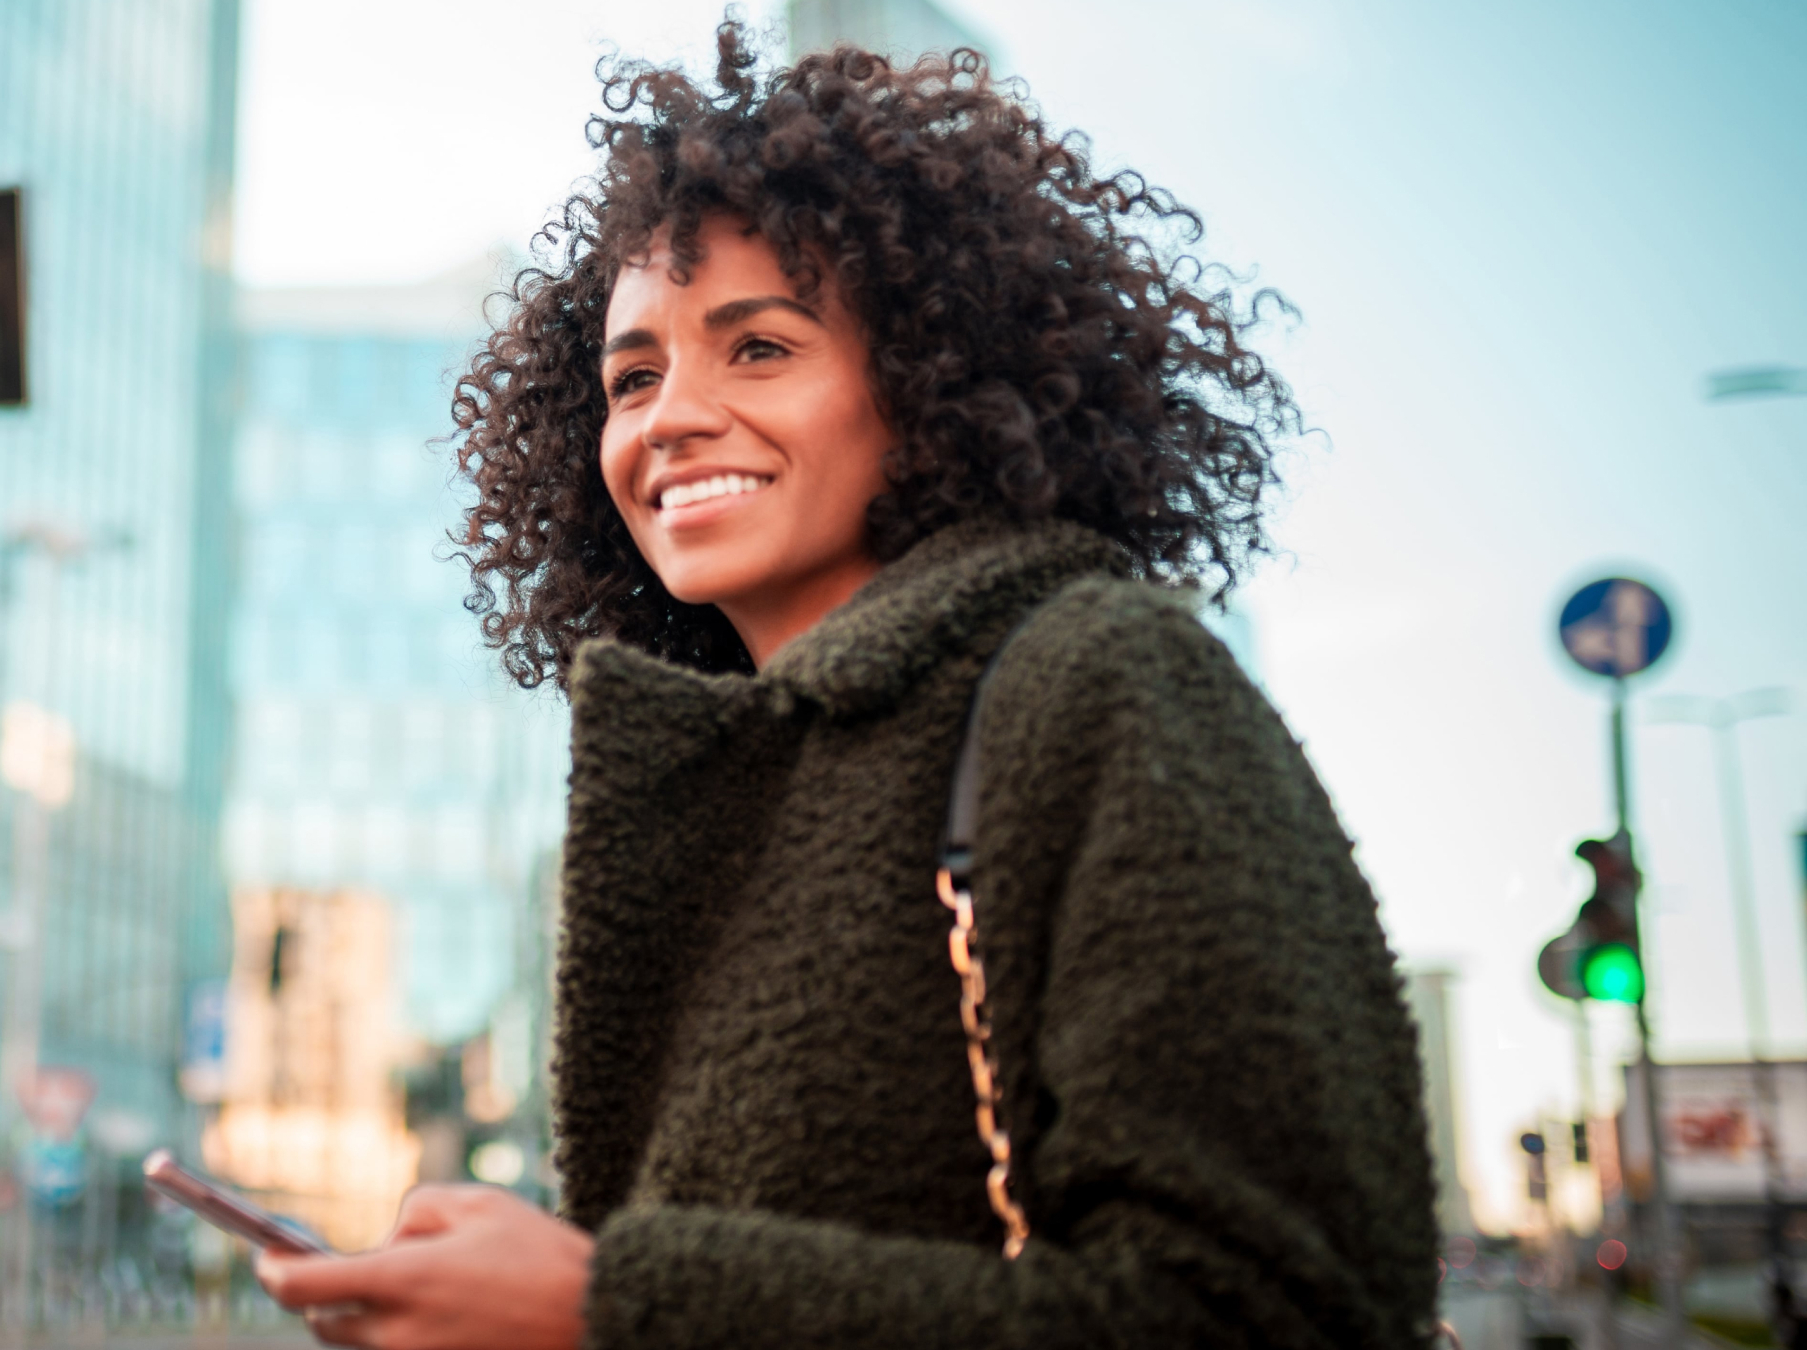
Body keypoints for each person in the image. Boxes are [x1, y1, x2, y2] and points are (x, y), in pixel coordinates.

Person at [256, 21, 1437, 1350]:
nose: (669, 417)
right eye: (632, 375)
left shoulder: (1101, 678)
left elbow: (1272, 1309)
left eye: (757, 348)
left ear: (936, 377)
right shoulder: (715, 781)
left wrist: (607, 1305)